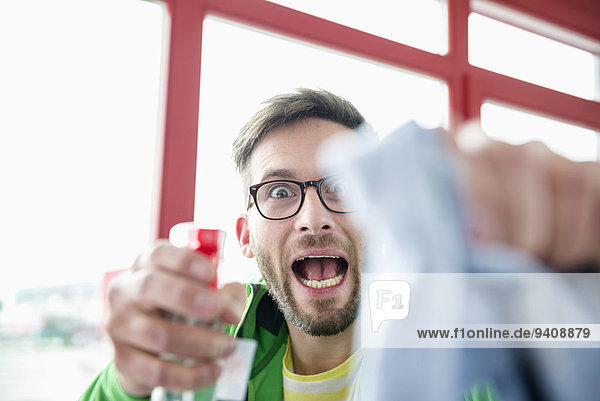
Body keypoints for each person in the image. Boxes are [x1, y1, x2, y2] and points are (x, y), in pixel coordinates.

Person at [80, 88, 600, 401]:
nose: (314, 219)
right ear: (245, 237)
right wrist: (127, 377)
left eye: (342, 188)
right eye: (280, 191)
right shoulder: (200, 363)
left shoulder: (467, 342)